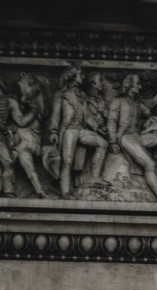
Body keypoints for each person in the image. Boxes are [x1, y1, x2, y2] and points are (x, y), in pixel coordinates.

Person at [107, 74, 157, 202]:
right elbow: (111, 121)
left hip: (138, 136)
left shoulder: (137, 104)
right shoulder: (118, 102)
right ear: (129, 86)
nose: (140, 86)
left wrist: (151, 127)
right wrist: (112, 141)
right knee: (149, 164)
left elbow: (151, 111)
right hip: (126, 137)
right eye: (137, 84)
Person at [49, 64, 109, 198]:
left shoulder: (82, 96)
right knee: (67, 162)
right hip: (69, 130)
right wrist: (53, 131)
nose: (83, 77)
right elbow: (55, 114)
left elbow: (87, 116)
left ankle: (95, 176)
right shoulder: (61, 95)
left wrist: (98, 128)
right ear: (73, 77)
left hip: (80, 130)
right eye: (80, 75)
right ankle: (65, 191)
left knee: (102, 143)